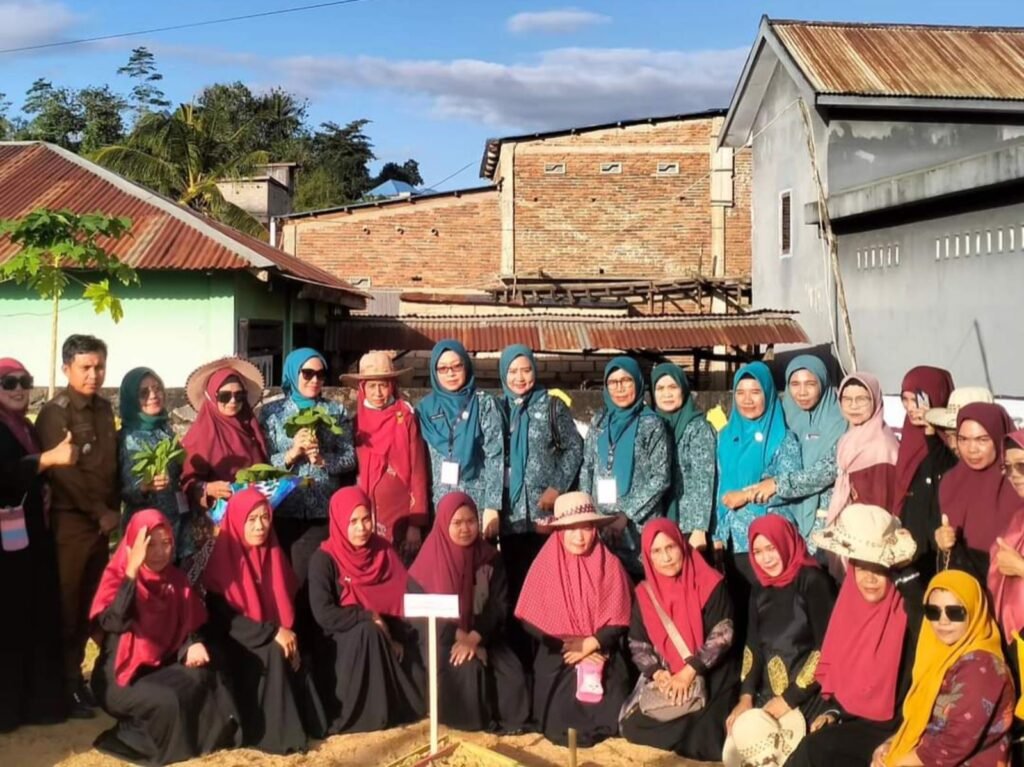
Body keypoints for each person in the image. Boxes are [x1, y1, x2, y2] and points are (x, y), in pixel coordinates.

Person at [89, 509, 240, 765]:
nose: (160, 552)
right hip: (120, 678)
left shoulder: (175, 579)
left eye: (166, 543)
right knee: (168, 700)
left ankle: (203, 741)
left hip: (159, 666)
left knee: (205, 674)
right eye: (150, 545)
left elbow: (190, 622)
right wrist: (132, 573)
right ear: (134, 546)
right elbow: (114, 621)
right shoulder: (117, 577)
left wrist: (193, 643)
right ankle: (134, 735)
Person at [785, 504, 923, 767]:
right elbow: (844, 683)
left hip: (893, 728)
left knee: (813, 751)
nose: (870, 578)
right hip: (851, 720)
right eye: (862, 568)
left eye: (879, 569)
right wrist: (834, 712)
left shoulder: (908, 616)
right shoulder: (849, 610)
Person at [202, 488, 326, 754]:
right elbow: (228, 622)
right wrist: (272, 633)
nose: (260, 526)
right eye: (252, 520)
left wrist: (287, 634)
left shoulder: (273, 554)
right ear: (236, 521)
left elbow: (287, 606)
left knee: (293, 649)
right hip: (236, 646)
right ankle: (275, 735)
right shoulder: (221, 560)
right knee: (272, 652)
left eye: (265, 518)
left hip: (268, 634)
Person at [35, 334, 119, 718]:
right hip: (72, 523)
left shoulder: (104, 409)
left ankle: (80, 680)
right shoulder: (57, 412)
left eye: (99, 365)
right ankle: (65, 685)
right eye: (85, 367)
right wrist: (99, 510)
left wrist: (112, 511)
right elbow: (64, 474)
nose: (94, 374)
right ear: (66, 369)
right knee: (67, 607)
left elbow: (111, 466)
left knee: (91, 603)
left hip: (101, 525)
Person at [515, 492, 633, 747]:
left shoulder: (610, 564)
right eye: (571, 529)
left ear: (595, 530)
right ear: (559, 531)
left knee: (612, 706)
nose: (579, 537)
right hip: (559, 653)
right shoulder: (544, 564)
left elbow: (620, 617)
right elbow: (530, 618)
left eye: (587, 528)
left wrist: (591, 643)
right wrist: (570, 647)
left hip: (601, 650)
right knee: (558, 714)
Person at [408, 491, 530, 733]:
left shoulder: (490, 558)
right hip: (442, 641)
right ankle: (472, 723)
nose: (465, 529)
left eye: (471, 521)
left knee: (511, 672)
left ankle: (509, 721)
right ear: (443, 524)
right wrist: (459, 637)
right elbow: (418, 615)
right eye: (457, 523)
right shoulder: (426, 564)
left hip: (483, 634)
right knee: (467, 668)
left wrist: (475, 638)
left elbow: (498, 604)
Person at [308, 486, 425, 734]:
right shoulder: (323, 559)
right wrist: (368, 616)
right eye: (352, 521)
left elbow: (402, 596)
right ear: (339, 522)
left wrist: (395, 636)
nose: (361, 528)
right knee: (367, 632)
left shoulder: (382, 550)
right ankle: (366, 715)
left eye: (366, 519)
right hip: (341, 636)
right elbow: (324, 614)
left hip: (385, 631)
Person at [0, 358, 77, 731]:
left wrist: (44, 484)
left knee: (35, 617)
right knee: (10, 622)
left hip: (31, 539)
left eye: (23, 381)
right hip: (5, 549)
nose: (17, 389)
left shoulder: (24, 427)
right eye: (8, 382)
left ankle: (38, 704)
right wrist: (46, 460)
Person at [620, 519, 738, 760]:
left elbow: (722, 635)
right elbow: (638, 643)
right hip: (668, 674)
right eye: (656, 551)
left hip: (711, 673)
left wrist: (687, 673)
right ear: (647, 557)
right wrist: (659, 674)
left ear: (682, 545)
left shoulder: (709, 582)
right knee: (632, 726)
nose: (666, 558)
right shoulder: (644, 594)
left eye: (670, 547)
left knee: (706, 738)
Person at [872, 571, 1015, 767]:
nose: (943, 620)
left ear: (974, 611)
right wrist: (891, 745)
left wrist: (899, 762)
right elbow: (923, 719)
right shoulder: (939, 653)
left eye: (955, 612)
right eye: (933, 611)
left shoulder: (982, 666)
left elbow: (957, 741)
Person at [724, 516, 834, 738]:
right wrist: (745, 697)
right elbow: (752, 645)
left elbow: (828, 649)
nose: (765, 559)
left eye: (771, 548)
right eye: (757, 552)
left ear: (786, 542)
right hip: (768, 696)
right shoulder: (759, 588)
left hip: (808, 695)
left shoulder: (813, 581)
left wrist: (789, 699)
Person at [260, 347, 355, 589]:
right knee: (287, 581)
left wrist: (324, 460)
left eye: (321, 375)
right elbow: (262, 463)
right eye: (308, 373)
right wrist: (291, 455)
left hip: (322, 510)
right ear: (293, 374)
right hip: (284, 508)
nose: (315, 380)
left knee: (319, 581)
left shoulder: (335, 410)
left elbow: (350, 457)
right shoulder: (273, 414)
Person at [499, 344, 583, 607]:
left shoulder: (551, 406)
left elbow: (575, 447)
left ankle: (545, 645)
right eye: (513, 371)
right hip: (510, 514)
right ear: (504, 373)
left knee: (546, 582)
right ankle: (518, 646)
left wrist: (557, 488)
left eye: (526, 370)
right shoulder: (499, 409)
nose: (520, 377)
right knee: (514, 583)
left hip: (543, 511)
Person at [579, 357, 670, 578]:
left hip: (637, 529)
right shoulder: (600, 422)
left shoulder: (652, 424)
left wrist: (625, 514)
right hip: (601, 526)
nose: (619, 388)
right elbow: (587, 466)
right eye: (613, 382)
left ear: (638, 383)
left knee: (640, 591)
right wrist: (589, 514)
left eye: (626, 380)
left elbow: (660, 478)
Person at [713, 361, 800, 586]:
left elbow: (787, 486)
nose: (747, 400)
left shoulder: (783, 438)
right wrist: (717, 534)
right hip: (730, 540)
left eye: (755, 392)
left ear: (768, 394)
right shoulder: (724, 436)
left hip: (767, 544)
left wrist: (745, 495)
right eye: (740, 393)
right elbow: (718, 484)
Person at [180, 357, 268, 578]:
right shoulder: (201, 434)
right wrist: (207, 489)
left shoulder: (250, 429)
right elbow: (184, 481)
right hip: (218, 529)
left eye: (239, 396)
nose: (232, 402)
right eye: (224, 396)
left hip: (255, 525)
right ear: (211, 397)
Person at [748, 355, 846, 548]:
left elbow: (826, 471)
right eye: (794, 384)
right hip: (784, 516)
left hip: (826, 519)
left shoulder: (840, 421)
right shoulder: (782, 417)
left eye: (810, 383)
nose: (802, 392)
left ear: (822, 382)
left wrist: (776, 484)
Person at [345, 351, 428, 563]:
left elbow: (418, 471)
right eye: (372, 386)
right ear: (362, 388)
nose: (378, 392)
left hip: (401, 515)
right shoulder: (355, 423)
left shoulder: (406, 418)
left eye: (383, 385)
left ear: (392, 385)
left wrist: (415, 523)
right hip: (365, 516)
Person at [417, 340, 504, 538]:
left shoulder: (484, 403)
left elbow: (495, 456)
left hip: (476, 503)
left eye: (457, 366)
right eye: (443, 368)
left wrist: (492, 506)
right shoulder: (424, 409)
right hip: (439, 503)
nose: (451, 373)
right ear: (434, 371)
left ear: (467, 365)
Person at [935, 403, 1023, 582]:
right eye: (963, 439)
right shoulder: (951, 483)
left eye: (982, 440)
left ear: (999, 438)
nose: (971, 449)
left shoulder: (1018, 482)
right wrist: (943, 542)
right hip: (967, 594)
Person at [891, 366, 956, 578]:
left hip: (943, 541)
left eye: (917, 399)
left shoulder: (952, 441)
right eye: (905, 400)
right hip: (912, 541)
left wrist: (931, 431)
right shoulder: (908, 437)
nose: (911, 408)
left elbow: (950, 472)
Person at [117, 367, 189, 557]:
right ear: (131, 399)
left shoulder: (164, 428)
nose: (153, 395)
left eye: (157, 389)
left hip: (176, 524)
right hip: (147, 533)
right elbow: (122, 491)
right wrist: (144, 487)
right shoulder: (127, 438)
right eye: (143, 393)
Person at [649, 363, 717, 550]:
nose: (666, 394)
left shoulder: (698, 428)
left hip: (688, 525)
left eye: (673, 387)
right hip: (656, 521)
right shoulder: (651, 425)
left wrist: (699, 528)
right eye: (660, 388)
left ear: (684, 390)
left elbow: (704, 479)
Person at [827, 372, 899, 522]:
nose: (854, 406)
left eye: (861, 399)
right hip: (849, 525)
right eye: (847, 399)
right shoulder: (850, 437)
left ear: (875, 400)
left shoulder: (882, 446)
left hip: (867, 531)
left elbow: (882, 502)